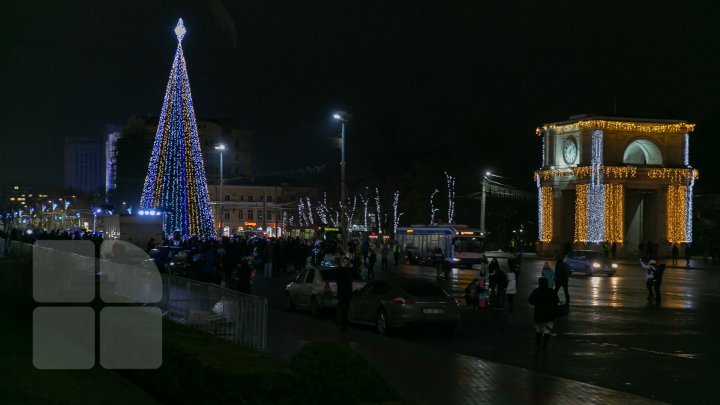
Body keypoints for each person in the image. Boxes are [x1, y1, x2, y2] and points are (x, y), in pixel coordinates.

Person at [528, 277, 560, 350]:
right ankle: (545, 344)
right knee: (547, 329)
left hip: (539, 314)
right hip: (549, 315)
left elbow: (530, 300)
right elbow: (557, 301)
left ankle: (538, 343)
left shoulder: (536, 291)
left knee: (538, 329)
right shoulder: (551, 291)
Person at [336, 256, 354, 331]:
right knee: (343, 309)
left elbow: (349, 283)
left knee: (345, 309)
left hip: (347, 293)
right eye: (343, 262)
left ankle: (344, 325)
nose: (345, 263)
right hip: (342, 293)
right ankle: (342, 325)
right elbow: (340, 282)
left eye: (346, 262)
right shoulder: (340, 271)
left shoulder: (348, 271)